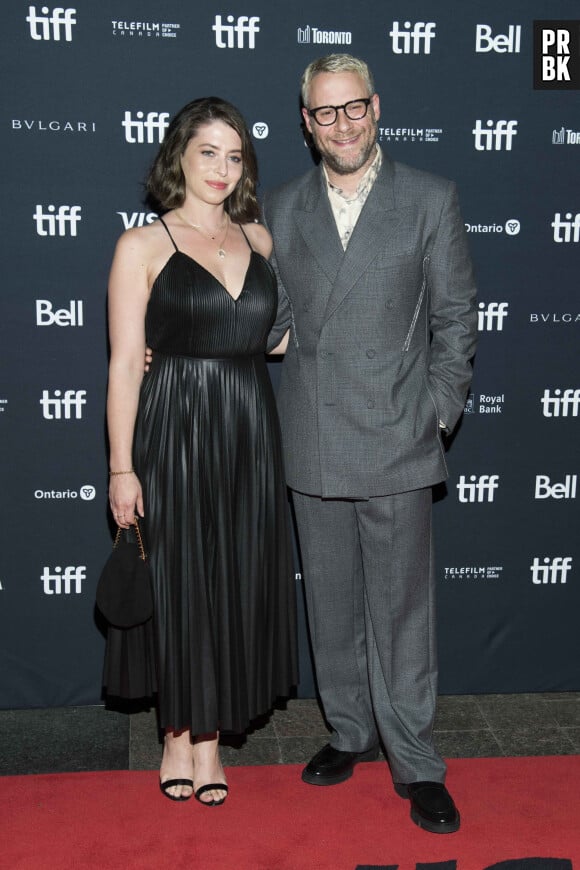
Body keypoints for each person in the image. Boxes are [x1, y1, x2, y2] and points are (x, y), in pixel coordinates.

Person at [262, 54, 477, 834]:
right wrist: (188, 341)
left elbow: (455, 321)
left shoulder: (429, 198)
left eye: (354, 108)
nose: (342, 124)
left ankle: (415, 758)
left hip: (397, 434)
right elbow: (273, 324)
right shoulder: (282, 209)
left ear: (376, 107)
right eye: (325, 113)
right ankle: (350, 731)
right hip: (313, 435)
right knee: (332, 600)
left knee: (402, 609)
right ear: (307, 123)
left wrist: (436, 413)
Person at [104, 97, 297, 805]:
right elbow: (126, 363)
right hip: (174, 428)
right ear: (179, 154)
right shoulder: (142, 245)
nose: (221, 168)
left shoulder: (262, 241)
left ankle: (213, 739)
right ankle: (177, 734)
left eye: (235, 154)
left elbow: (274, 339)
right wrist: (121, 467)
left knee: (234, 578)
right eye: (208, 151)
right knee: (182, 580)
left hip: (249, 428)